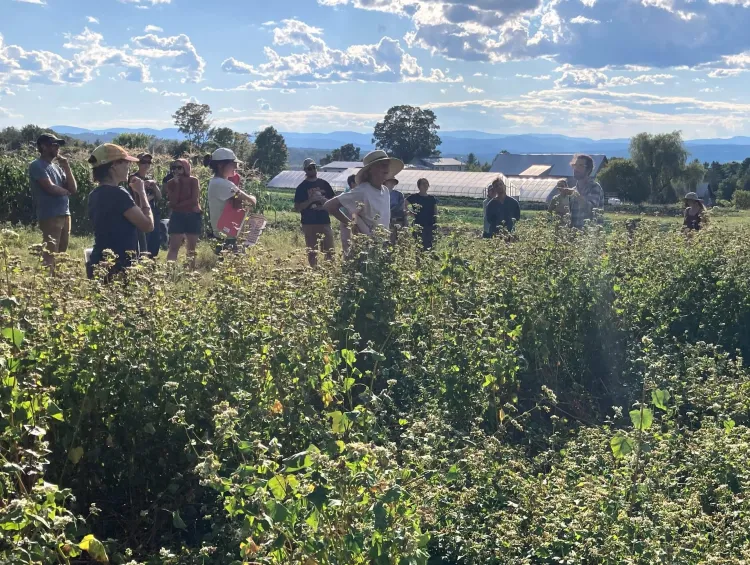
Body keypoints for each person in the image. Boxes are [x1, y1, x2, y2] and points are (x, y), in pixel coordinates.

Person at [86, 144, 154, 279]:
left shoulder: (94, 194)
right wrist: (142, 193)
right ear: (114, 166)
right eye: (126, 162)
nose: (129, 166)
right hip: (120, 264)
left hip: (99, 261)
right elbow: (147, 225)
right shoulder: (119, 194)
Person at [324, 150, 402, 242]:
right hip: (367, 245)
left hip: (382, 245)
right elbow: (329, 206)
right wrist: (352, 225)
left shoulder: (385, 191)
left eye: (387, 165)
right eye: (382, 165)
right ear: (371, 169)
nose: (386, 169)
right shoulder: (362, 191)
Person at [28, 133, 78, 273]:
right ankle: (47, 281)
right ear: (43, 147)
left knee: (62, 250)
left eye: (58, 145)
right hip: (50, 214)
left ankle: (57, 279)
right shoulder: (36, 165)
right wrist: (66, 191)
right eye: (54, 145)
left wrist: (66, 167)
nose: (57, 148)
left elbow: (73, 188)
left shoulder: (57, 167)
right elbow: (50, 188)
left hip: (64, 213)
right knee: (51, 250)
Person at [207, 148, 257, 251]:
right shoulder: (223, 184)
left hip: (223, 233)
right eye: (233, 163)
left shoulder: (217, 182)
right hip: (228, 235)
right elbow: (251, 202)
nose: (236, 167)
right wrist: (253, 197)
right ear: (220, 165)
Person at [294, 158, 335, 267]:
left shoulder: (324, 184)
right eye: (309, 168)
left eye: (314, 167)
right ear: (305, 170)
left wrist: (323, 202)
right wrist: (310, 200)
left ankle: (329, 271)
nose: (312, 169)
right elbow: (297, 207)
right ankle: (314, 271)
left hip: (324, 222)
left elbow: (333, 202)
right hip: (309, 223)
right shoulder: (301, 188)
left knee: (329, 250)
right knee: (312, 252)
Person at [547, 155, 604, 229]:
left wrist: (574, 194)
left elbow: (591, 210)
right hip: (574, 237)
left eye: (580, 166)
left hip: (590, 236)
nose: (576, 169)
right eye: (575, 165)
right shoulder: (573, 190)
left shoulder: (594, 187)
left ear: (588, 169)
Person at [165, 159, 201, 270]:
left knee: (191, 248)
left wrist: (176, 205)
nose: (176, 170)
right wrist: (176, 185)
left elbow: (194, 200)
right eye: (174, 168)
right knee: (174, 247)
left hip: (192, 215)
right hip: (178, 216)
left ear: (186, 167)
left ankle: (190, 273)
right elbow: (173, 201)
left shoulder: (193, 180)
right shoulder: (170, 183)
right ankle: (169, 272)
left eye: (179, 167)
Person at [128, 153, 162, 257]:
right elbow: (135, 198)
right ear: (138, 163)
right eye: (143, 162)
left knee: (155, 241)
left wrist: (154, 185)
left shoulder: (150, 178)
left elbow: (160, 197)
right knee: (144, 242)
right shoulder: (134, 178)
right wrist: (148, 198)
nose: (146, 165)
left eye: (149, 162)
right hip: (141, 213)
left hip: (153, 213)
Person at [407, 178, 439, 250]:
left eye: (427, 183)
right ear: (419, 186)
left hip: (430, 225)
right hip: (418, 224)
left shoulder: (431, 198)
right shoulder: (414, 197)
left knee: (430, 245)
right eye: (423, 183)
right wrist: (409, 212)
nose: (425, 185)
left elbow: (435, 211)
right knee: (419, 245)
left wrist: (436, 224)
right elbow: (403, 204)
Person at [385, 177, 407, 244]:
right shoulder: (380, 194)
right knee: (388, 240)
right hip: (385, 220)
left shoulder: (399, 194)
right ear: (385, 182)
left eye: (393, 182)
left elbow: (402, 208)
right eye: (390, 181)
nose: (392, 183)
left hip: (398, 219)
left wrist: (405, 221)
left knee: (399, 240)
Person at [339, 174, 357, 256]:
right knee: (347, 240)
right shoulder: (347, 194)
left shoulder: (357, 193)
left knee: (356, 240)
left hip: (356, 218)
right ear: (352, 183)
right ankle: (347, 259)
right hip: (346, 217)